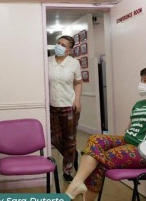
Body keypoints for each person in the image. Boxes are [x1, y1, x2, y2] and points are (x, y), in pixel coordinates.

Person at [65, 66, 146, 201]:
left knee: (100, 160)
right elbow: (131, 126)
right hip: (129, 140)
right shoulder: (139, 104)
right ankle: (76, 184)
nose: (140, 83)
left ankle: (81, 194)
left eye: (145, 80)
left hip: (145, 150)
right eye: (141, 80)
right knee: (95, 139)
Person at [48, 35, 83, 182]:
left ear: (69, 49)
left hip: (69, 105)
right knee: (54, 139)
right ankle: (72, 154)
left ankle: (67, 170)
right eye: (58, 43)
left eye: (63, 45)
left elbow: (78, 82)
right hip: (52, 106)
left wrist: (77, 100)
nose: (59, 46)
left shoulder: (74, 63)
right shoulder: (47, 61)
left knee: (69, 139)